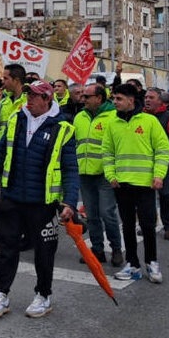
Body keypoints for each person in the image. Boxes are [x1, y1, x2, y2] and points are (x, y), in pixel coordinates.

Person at [0, 80, 78, 318]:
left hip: (43, 203)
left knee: (44, 253)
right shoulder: (16, 119)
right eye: (28, 95)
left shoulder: (63, 128)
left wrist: (70, 202)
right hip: (12, 196)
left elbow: (70, 169)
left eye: (34, 96)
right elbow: (1, 151)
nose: (29, 100)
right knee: (7, 248)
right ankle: (1, 294)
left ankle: (43, 295)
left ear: (47, 99)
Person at [103, 84, 169, 283]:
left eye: (118, 99)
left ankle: (152, 262)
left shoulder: (149, 121)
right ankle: (132, 264)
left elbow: (162, 149)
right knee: (127, 227)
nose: (114, 102)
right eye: (114, 98)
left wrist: (159, 175)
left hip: (145, 184)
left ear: (131, 101)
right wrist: (111, 175)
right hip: (121, 184)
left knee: (148, 225)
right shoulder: (112, 123)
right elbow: (107, 152)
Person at [73, 82, 122, 265]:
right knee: (91, 215)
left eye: (87, 96)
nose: (82, 99)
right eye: (83, 96)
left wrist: (114, 172)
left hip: (105, 174)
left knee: (107, 213)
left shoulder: (114, 117)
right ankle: (97, 249)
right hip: (85, 174)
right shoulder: (79, 117)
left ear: (99, 98)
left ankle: (116, 249)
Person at [0, 63, 27, 257]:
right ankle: (4, 242)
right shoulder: (3, 100)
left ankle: (26, 237)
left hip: (23, 158)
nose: (3, 82)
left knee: (25, 202)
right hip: (5, 156)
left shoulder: (29, 99)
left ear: (17, 80)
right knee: (6, 202)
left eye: (6, 78)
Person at [144, 89, 169, 241]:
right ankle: (149, 225)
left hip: (163, 164)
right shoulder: (141, 116)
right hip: (145, 163)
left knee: (166, 195)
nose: (147, 100)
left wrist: (166, 158)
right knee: (146, 198)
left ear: (160, 101)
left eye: (151, 97)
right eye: (146, 97)